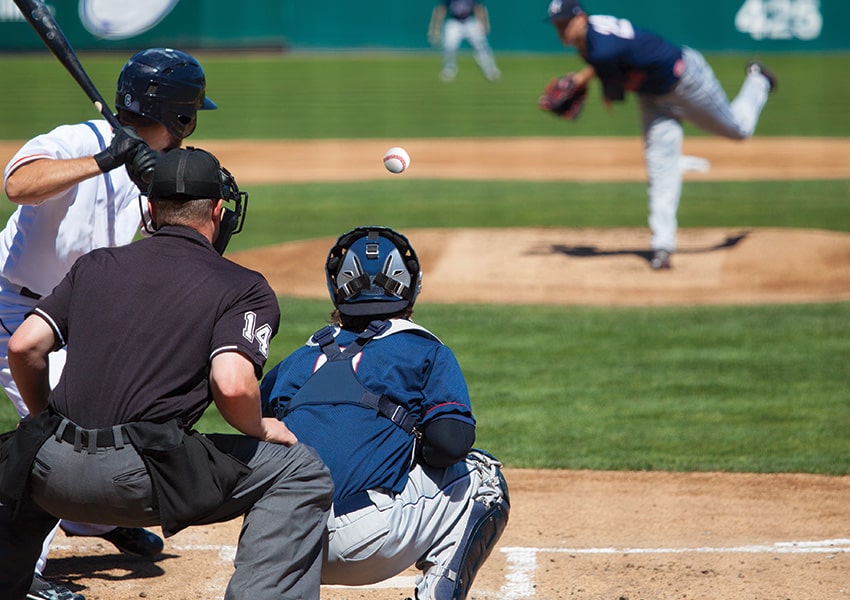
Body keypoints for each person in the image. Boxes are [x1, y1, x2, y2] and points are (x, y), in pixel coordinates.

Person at [0, 147, 334, 600]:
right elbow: (233, 384)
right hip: (141, 481)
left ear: (150, 209)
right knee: (299, 471)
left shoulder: (95, 265)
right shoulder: (242, 287)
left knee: (18, 463)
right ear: (219, 211)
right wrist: (260, 426)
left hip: (49, 473)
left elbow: (23, 345)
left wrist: (47, 425)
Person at [0, 47, 217, 600]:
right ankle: (22, 575)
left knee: (108, 422)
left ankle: (90, 517)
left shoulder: (152, 164)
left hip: (81, 313)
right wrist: (105, 159)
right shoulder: (77, 140)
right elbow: (19, 185)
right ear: (179, 116)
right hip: (17, 310)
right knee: (56, 434)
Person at [260, 226, 510, 600]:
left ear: (338, 289)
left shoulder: (297, 360)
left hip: (277, 542)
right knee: (484, 478)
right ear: (410, 287)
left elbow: (260, 432)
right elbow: (451, 442)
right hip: (363, 542)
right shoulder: (423, 350)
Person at [544, 0, 776, 270]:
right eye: (557, 25)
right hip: (653, 97)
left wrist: (582, 85)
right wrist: (582, 79)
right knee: (660, 168)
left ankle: (759, 80)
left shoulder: (601, 49)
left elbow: (615, 93)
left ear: (581, 18)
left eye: (565, 23)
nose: (561, 30)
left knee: (739, 130)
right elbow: (610, 61)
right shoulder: (592, 37)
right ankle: (662, 247)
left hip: (687, 81)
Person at [428, 0, 501, 82]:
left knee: (481, 46)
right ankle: (448, 70)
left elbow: (478, 8)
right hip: (454, 22)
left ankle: (490, 69)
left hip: (469, 21)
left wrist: (483, 23)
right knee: (449, 47)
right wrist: (436, 28)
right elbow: (441, 10)